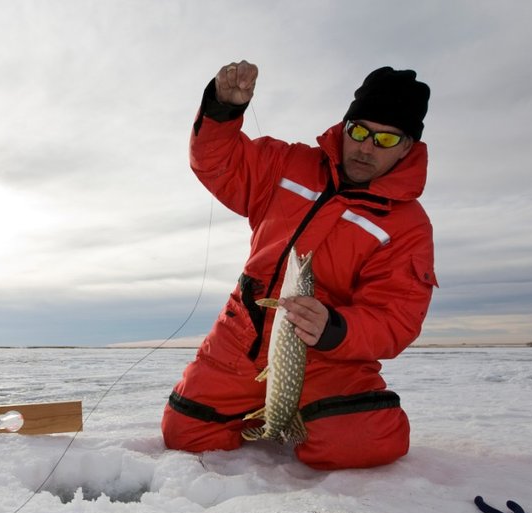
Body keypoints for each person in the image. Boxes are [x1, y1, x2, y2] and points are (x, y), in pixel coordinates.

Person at [161, 61, 437, 470]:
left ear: (407, 146)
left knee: (367, 440)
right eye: (358, 131)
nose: (365, 147)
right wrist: (223, 109)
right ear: (344, 127)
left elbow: (396, 319)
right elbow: (217, 162)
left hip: (328, 358)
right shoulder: (287, 163)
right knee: (184, 433)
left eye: (384, 139)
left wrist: (335, 329)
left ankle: (303, 415)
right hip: (243, 335)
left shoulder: (407, 226)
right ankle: (264, 413)